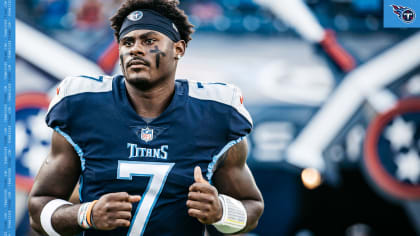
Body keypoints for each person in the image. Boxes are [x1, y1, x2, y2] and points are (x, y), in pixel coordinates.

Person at [28, 0, 264, 235]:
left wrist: (222, 211)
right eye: (127, 42)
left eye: (149, 40)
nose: (135, 49)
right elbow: (38, 212)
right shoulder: (82, 105)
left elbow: (251, 208)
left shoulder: (216, 113)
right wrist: (86, 214)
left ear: (178, 49)